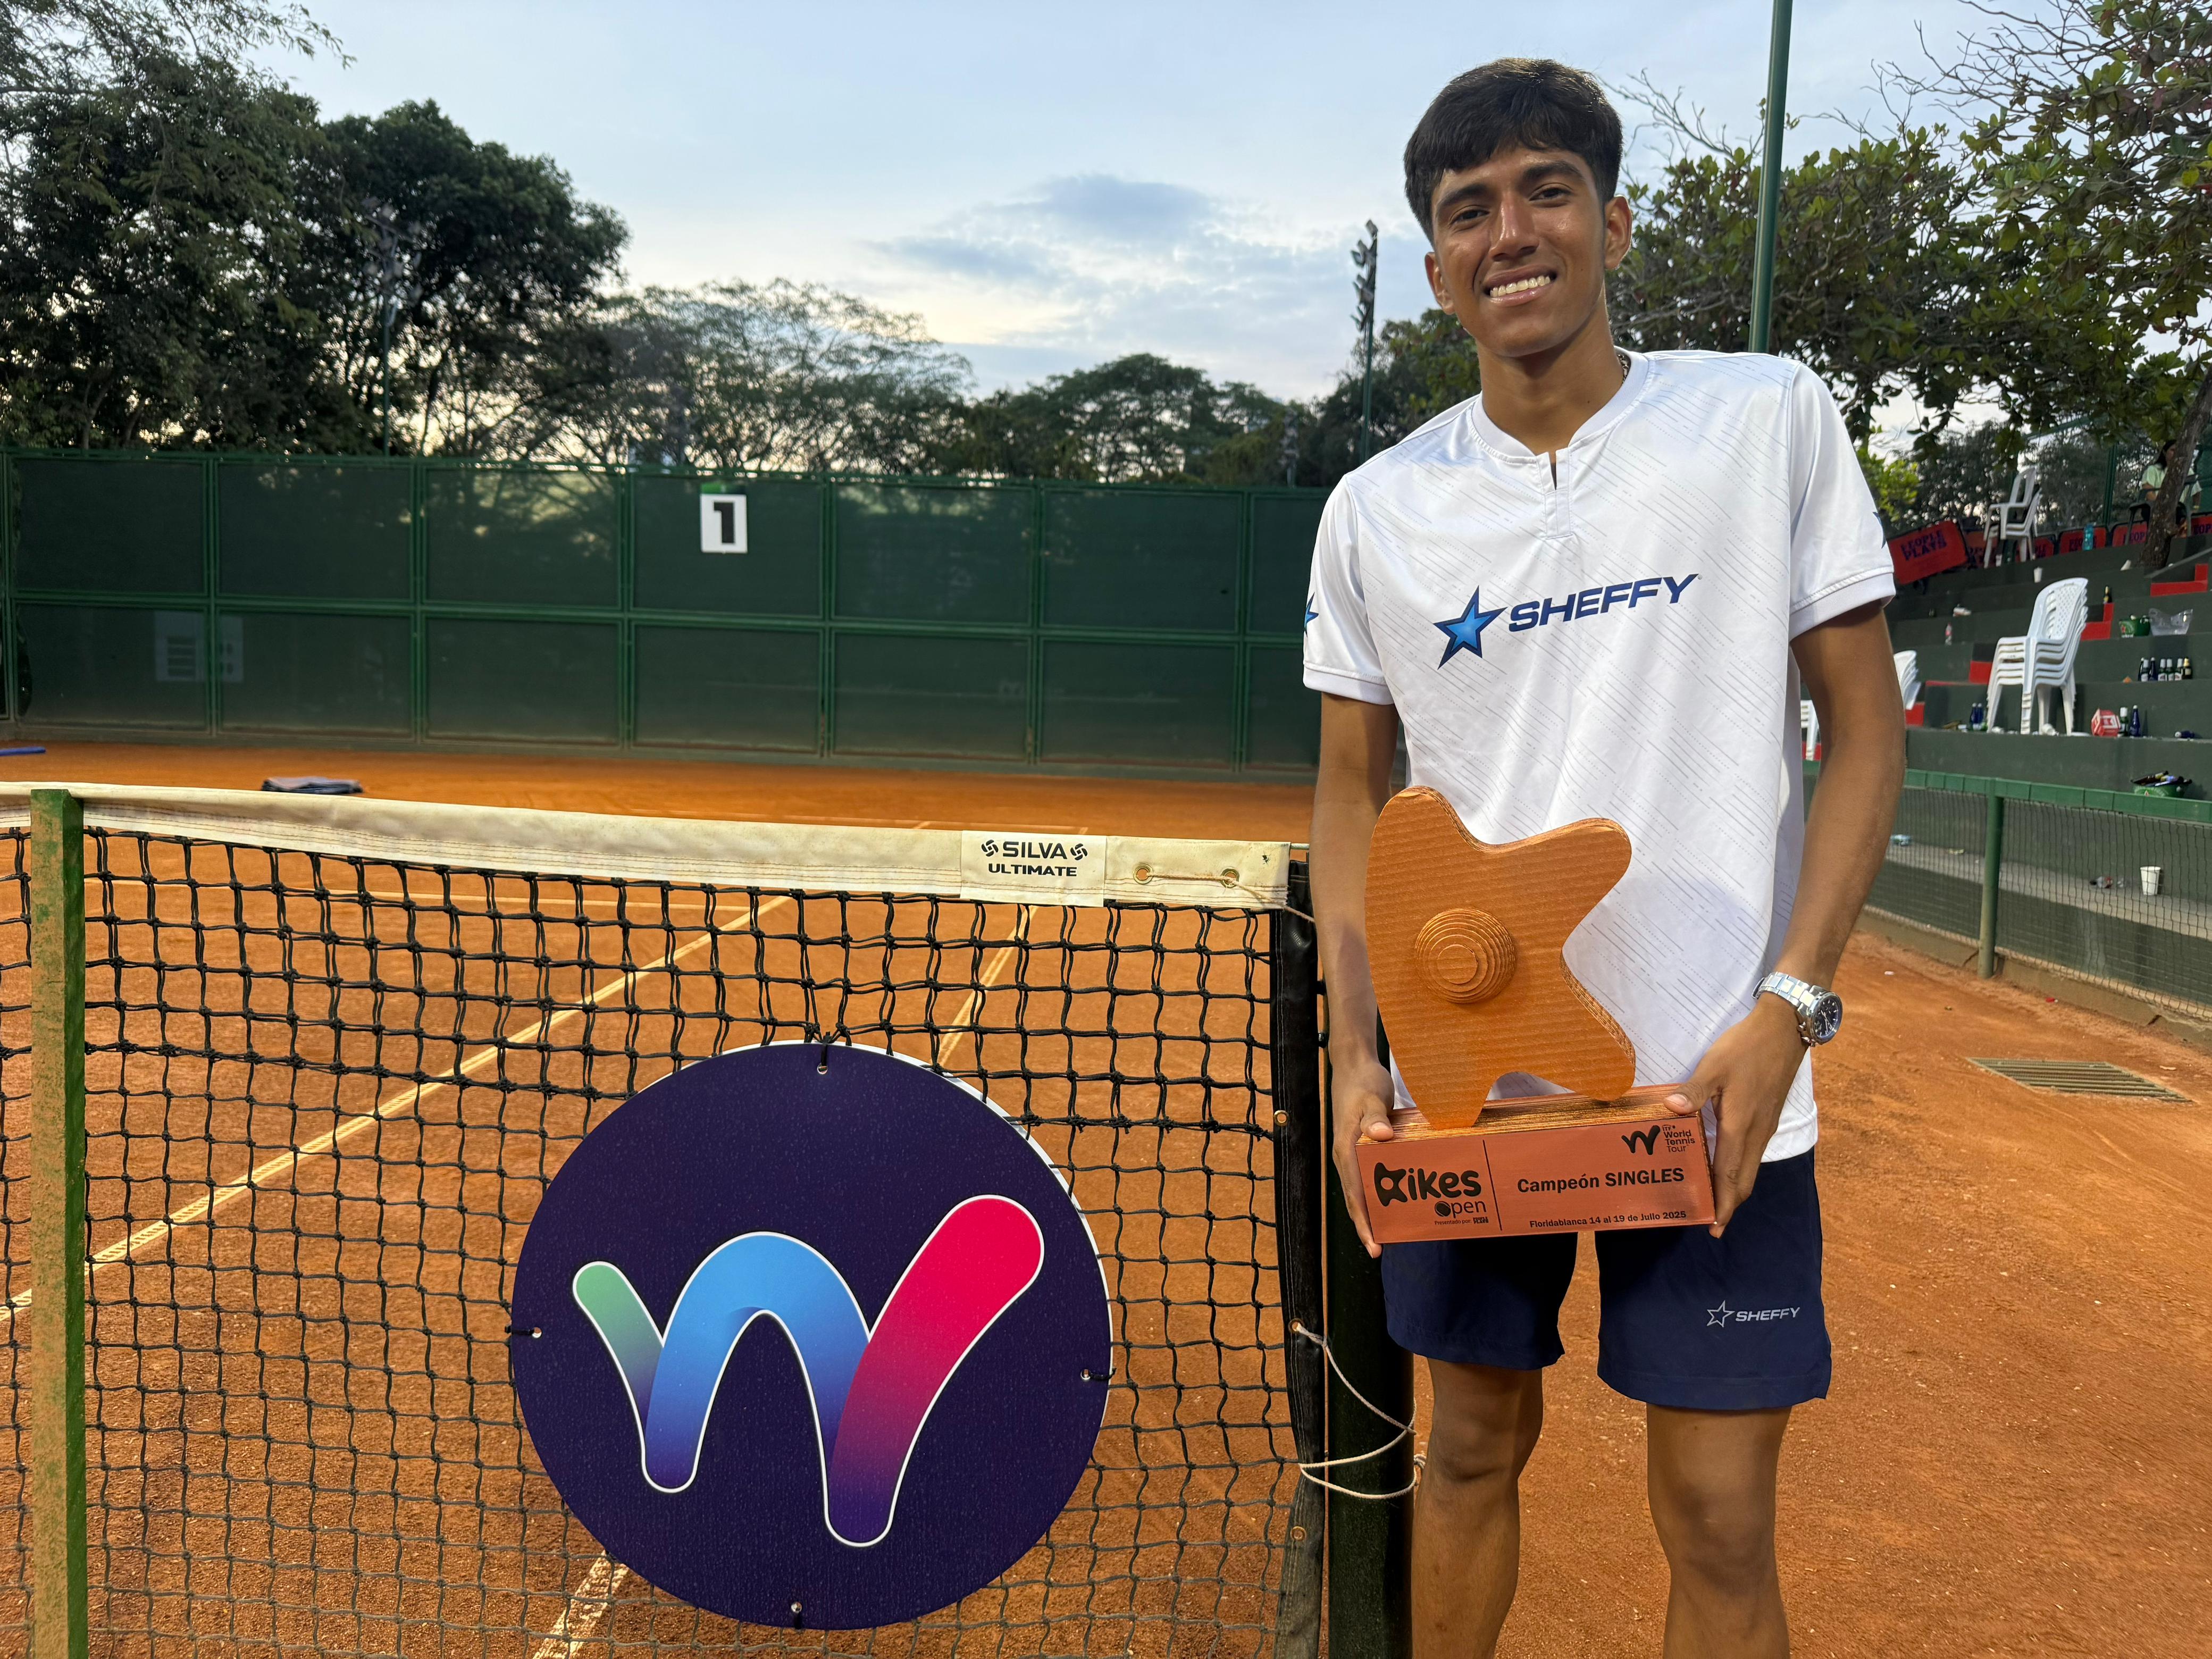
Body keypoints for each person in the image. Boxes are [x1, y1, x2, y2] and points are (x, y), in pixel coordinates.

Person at [1302, 60, 1906, 1659]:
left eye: (1545, 190)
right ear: (1438, 268)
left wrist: (1788, 1006)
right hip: (1467, 1089)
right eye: (1469, 211)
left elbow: (1867, 725)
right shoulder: (1376, 511)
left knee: (1716, 1516)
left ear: (1614, 220)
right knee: (1470, 1452)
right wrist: (1353, 1055)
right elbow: (1351, 796)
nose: (1511, 233)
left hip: (1715, 1077)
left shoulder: (1761, 418)